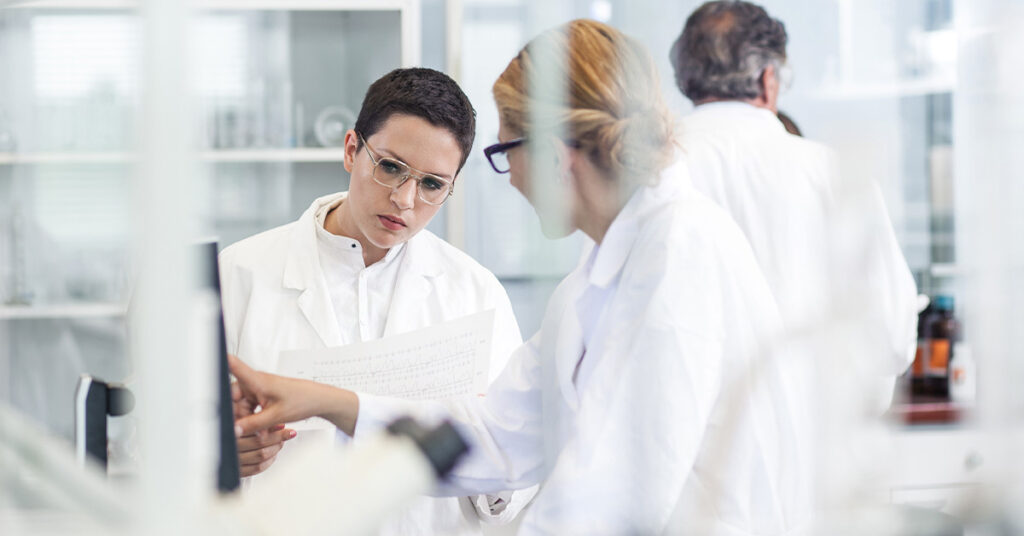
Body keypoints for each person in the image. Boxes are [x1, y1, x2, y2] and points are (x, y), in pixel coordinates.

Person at [230, 19, 810, 534]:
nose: (508, 179)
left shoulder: (680, 257)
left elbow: (614, 498)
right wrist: (329, 401)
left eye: (506, 151)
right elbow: (495, 432)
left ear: (558, 157)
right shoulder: (602, 274)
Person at [218, 67, 532, 534]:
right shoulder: (238, 274)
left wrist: (484, 447)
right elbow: (152, 439)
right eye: (390, 167)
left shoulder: (475, 291)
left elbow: (518, 472)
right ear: (351, 150)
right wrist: (222, 451)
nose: (405, 200)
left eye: (431, 185)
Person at [669, 1, 919, 407]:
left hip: (690, 448)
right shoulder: (831, 173)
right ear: (769, 79)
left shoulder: (648, 171)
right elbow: (890, 334)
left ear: (686, 80)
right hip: (813, 442)